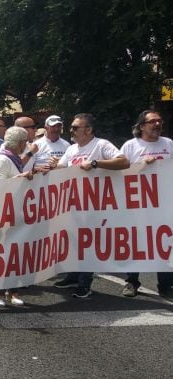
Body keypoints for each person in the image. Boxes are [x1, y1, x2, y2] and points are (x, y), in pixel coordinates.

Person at [51, 113, 130, 299]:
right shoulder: (71, 149)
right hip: (73, 204)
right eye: (71, 127)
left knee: (88, 244)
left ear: (89, 130)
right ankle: (72, 276)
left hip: (95, 205)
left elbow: (124, 162)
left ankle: (84, 284)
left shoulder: (101, 145)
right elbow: (62, 168)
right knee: (74, 242)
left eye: (75, 127)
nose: (71, 130)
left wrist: (95, 163)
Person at [119, 110, 172, 297]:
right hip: (137, 204)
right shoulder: (130, 146)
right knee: (137, 242)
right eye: (152, 122)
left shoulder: (169, 144)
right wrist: (142, 165)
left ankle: (165, 285)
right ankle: (131, 282)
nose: (157, 125)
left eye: (159, 121)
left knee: (165, 242)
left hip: (163, 204)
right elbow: (120, 173)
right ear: (142, 126)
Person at [0, 126, 37, 306]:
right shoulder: (3, 160)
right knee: (1, 254)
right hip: (3, 214)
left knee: (16, 253)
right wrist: (21, 178)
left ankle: (13, 290)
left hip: (17, 212)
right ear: (20, 143)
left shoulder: (14, 159)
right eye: (25, 142)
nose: (26, 145)